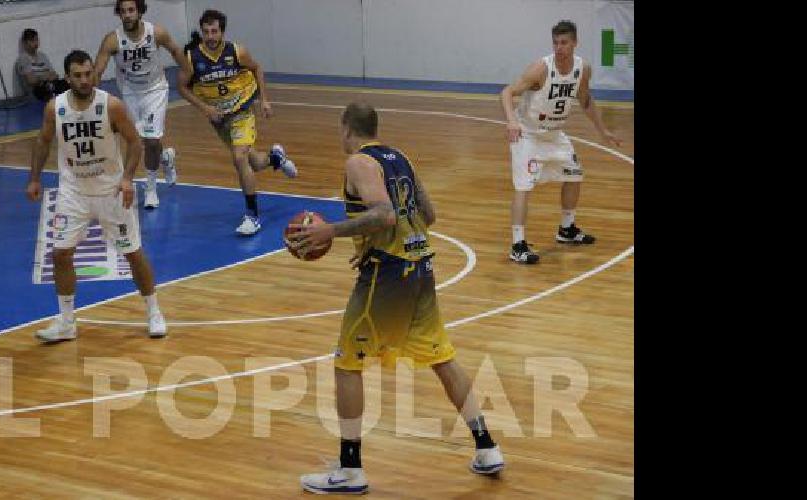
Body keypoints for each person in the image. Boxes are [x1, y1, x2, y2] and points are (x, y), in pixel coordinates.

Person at [287, 103, 505, 494]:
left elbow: (386, 215)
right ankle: (486, 447)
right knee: (441, 357)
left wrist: (330, 232)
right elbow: (428, 214)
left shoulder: (358, 162)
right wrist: (372, 240)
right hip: (421, 268)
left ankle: (351, 470)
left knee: (347, 363)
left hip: (388, 276)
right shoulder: (399, 157)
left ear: (345, 128)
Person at [25, 50, 167, 341]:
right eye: (77, 75)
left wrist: (127, 178)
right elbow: (42, 141)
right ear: (67, 78)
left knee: (132, 253)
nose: (84, 79)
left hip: (110, 192)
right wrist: (35, 178)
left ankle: (154, 311)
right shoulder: (55, 108)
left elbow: (135, 143)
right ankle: (66, 321)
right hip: (73, 192)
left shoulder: (110, 105)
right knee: (61, 253)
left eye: (88, 73)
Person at [499, 20, 621, 264]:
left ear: (575, 43)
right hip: (529, 134)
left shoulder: (582, 69)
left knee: (575, 174)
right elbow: (507, 92)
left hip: (555, 135)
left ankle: (567, 230)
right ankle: (517, 244)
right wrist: (512, 121)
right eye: (555, 42)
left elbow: (585, 100)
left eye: (564, 42)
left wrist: (603, 130)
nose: (559, 47)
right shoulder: (540, 69)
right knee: (524, 186)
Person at [177, 9, 297, 235]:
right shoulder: (192, 58)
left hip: (242, 110)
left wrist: (264, 101)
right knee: (254, 163)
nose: (210, 36)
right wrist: (205, 108)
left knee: (239, 157)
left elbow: (257, 68)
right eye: (206, 32)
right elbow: (181, 87)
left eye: (214, 31)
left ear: (222, 31)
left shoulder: (237, 51)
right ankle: (275, 158)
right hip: (219, 118)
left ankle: (252, 216)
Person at [93, 0, 190, 210]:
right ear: (118, 14)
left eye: (131, 10)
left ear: (139, 12)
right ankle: (166, 157)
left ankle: (151, 188)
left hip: (155, 89)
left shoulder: (156, 32)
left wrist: (188, 73)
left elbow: (175, 50)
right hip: (130, 92)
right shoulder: (112, 40)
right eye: (123, 11)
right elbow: (98, 69)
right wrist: (92, 93)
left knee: (151, 139)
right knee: (145, 141)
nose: (127, 15)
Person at [16, 29, 69, 102]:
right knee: (45, 88)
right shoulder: (23, 59)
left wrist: (42, 78)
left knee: (68, 81)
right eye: (32, 40)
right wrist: (45, 77)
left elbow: (55, 75)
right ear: (25, 43)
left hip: (50, 85)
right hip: (36, 91)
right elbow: (31, 81)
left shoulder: (42, 56)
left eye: (37, 40)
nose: (35, 43)